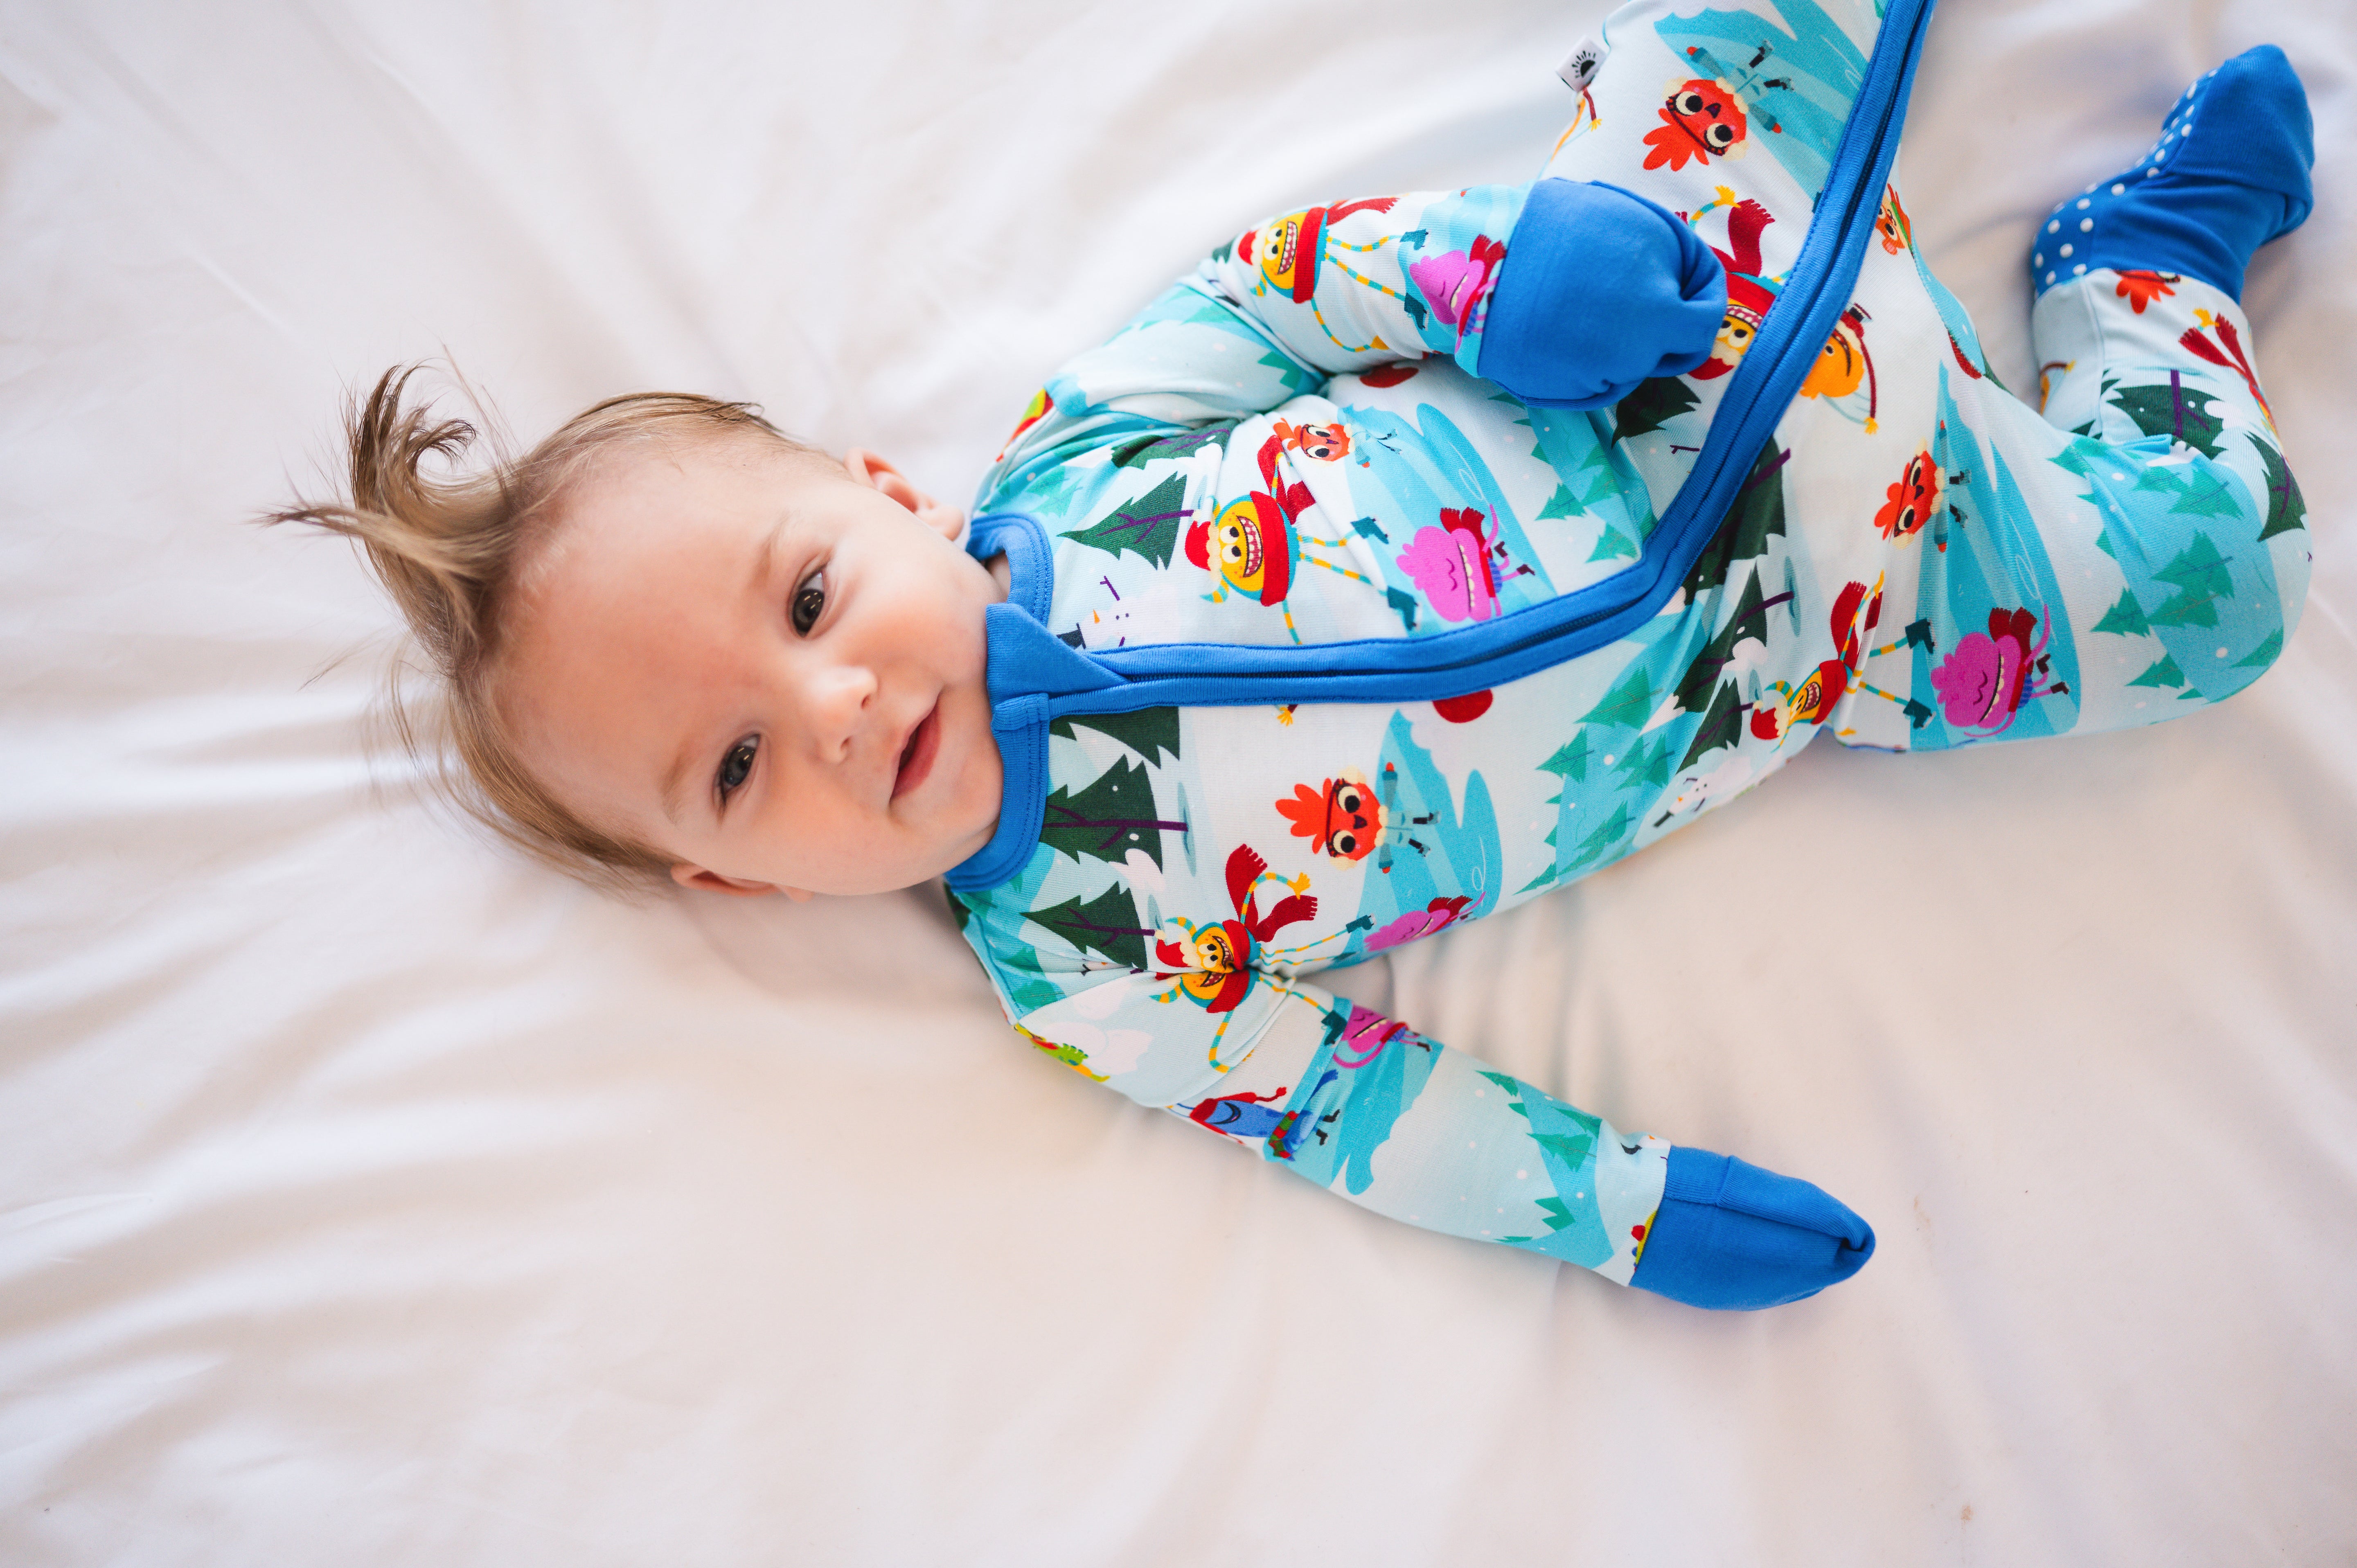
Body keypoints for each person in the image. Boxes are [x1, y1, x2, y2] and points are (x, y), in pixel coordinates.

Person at [274, 2, 2314, 1311]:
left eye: (807, 599)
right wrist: (1607, 1206)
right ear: (729, 876)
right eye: (730, 769)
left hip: (1668, 326)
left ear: (888, 491)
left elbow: (1283, 295)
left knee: (1724, 56)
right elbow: (1349, 1102)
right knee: (2219, 590)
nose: (833, 706)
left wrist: (1492, 281)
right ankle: (2144, 287)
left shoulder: (1084, 456)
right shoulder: (1087, 972)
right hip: (1846, 625)